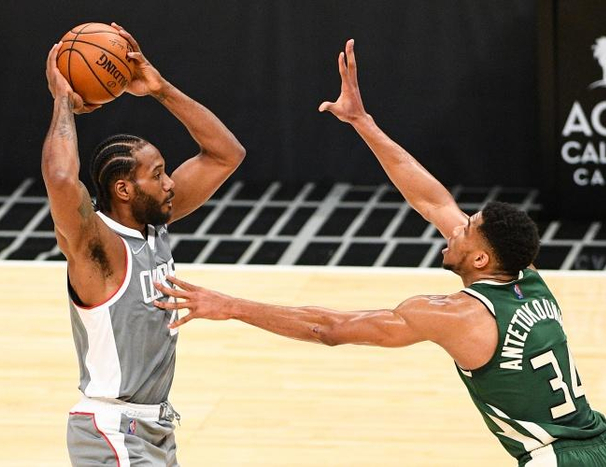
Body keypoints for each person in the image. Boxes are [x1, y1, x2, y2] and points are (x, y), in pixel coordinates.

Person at [153, 39, 606, 466]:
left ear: (481, 260)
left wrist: (229, 305)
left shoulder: (456, 315)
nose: (456, 227)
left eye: (467, 229)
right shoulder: (524, 274)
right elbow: (433, 200)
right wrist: (362, 122)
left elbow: (330, 328)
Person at [42, 23, 245, 466]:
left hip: (153, 428)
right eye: (157, 175)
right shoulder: (98, 247)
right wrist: (63, 101)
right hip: (113, 431)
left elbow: (225, 154)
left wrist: (159, 88)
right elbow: (60, 179)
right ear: (124, 190)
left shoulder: (154, 224)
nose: (170, 183)